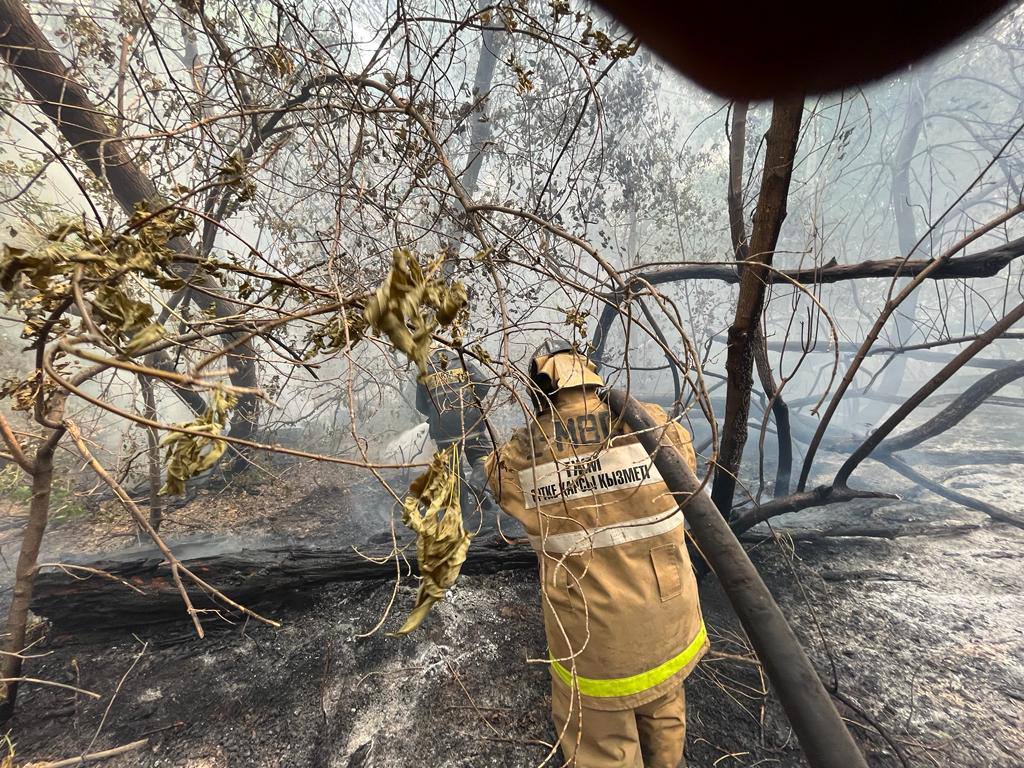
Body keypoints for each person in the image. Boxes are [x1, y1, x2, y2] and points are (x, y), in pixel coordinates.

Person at [484, 340, 707, 767]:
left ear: (540, 390)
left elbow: (497, 480)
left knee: (601, 745)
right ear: (592, 377)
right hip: (669, 615)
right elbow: (686, 469)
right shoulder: (653, 423)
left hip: (594, 636)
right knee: (663, 711)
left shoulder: (523, 451)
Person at [414, 347, 496, 534]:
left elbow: (420, 405)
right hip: (470, 421)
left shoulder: (424, 371)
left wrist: (436, 414)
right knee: (482, 454)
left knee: (453, 470)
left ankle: (462, 515)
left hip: (442, 428)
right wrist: (473, 402)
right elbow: (484, 384)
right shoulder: (463, 362)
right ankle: (477, 481)